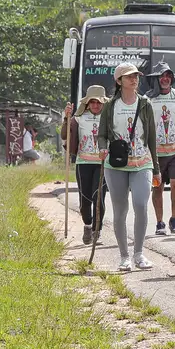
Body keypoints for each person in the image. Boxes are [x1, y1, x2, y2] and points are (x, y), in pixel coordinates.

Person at [97, 62, 160, 272]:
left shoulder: (145, 103)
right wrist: (102, 148)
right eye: (129, 76)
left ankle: (139, 253)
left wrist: (157, 168)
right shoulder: (110, 105)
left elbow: (152, 138)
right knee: (120, 210)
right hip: (116, 163)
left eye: (136, 76)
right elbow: (102, 134)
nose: (134, 79)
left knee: (141, 205)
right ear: (119, 81)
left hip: (142, 161)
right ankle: (124, 256)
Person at [145, 61, 175, 236]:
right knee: (158, 186)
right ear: (156, 79)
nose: (165, 79)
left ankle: (174, 219)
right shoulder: (148, 99)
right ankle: (160, 222)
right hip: (155, 152)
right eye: (162, 76)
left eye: (168, 76)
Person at [61, 85, 110, 245]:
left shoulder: (109, 117)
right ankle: (88, 225)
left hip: (102, 164)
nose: (95, 105)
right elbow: (64, 135)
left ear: (103, 103)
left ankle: (97, 230)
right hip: (83, 163)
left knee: (99, 197)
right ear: (87, 103)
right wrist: (67, 118)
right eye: (92, 102)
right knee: (85, 200)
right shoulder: (78, 118)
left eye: (98, 102)